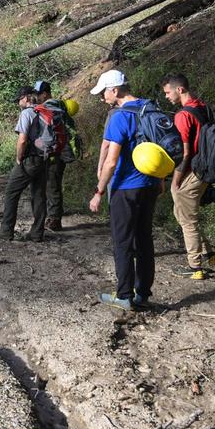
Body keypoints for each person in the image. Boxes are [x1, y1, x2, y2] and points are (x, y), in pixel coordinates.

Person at [87, 69, 159, 311]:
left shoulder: (119, 116)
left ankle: (124, 295)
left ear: (114, 90)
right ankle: (143, 293)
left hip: (125, 187)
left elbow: (111, 160)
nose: (102, 97)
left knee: (123, 241)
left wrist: (99, 191)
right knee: (144, 240)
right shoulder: (150, 108)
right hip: (149, 185)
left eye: (104, 92)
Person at [160, 72, 215, 279]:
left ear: (180, 89)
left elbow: (184, 154)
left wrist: (174, 182)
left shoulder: (183, 116)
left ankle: (196, 268)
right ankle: (209, 253)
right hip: (207, 169)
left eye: (168, 92)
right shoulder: (202, 106)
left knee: (188, 221)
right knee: (184, 214)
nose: (167, 97)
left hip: (192, 170)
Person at [0, 86, 48, 242]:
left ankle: (6, 231)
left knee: (11, 193)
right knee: (39, 195)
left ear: (26, 98)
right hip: (44, 158)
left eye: (18, 100)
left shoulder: (26, 113)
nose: (18, 103)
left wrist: (19, 158)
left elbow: (23, 139)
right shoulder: (45, 111)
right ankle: (37, 233)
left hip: (29, 159)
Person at [33, 80, 78, 231]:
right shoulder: (61, 105)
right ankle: (53, 217)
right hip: (60, 151)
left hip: (54, 152)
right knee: (53, 184)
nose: (36, 97)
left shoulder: (50, 107)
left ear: (45, 94)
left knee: (52, 185)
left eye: (38, 94)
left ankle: (54, 220)